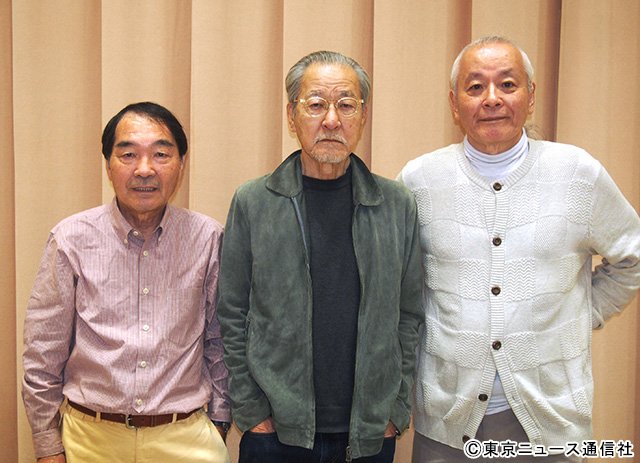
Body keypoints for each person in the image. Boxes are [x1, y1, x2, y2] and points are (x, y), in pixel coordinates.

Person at [399, 36, 640, 463]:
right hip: (447, 422)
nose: (492, 98)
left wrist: (583, 312)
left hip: (551, 420)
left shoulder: (577, 173)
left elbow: (632, 256)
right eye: (475, 87)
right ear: (454, 103)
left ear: (530, 97)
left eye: (507, 84)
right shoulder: (420, 181)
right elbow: (401, 285)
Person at [218, 50, 423, 463]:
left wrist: (395, 409)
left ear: (363, 116)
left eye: (346, 105)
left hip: (368, 432)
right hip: (275, 432)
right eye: (315, 105)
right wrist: (251, 409)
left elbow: (409, 315)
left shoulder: (394, 204)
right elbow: (231, 312)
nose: (331, 120)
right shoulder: (254, 201)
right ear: (292, 116)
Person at [22, 102, 231, 463]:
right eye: (128, 154)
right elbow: (43, 353)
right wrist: (48, 445)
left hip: (185, 438)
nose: (144, 169)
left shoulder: (208, 238)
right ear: (109, 165)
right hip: (88, 439)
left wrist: (220, 424)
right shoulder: (70, 239)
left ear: (181, 163)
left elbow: (220, 341)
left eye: (161, 154)